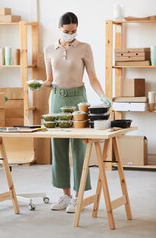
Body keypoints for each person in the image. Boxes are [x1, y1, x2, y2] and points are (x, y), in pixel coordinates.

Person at [44, 12, 112, 213]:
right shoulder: (49, 49)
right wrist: (40, 84)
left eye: (74, 31)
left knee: (79, 148)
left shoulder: (84, 48)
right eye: (66, 31)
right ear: (59, 28)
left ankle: (78, 196)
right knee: (58, 146)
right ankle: (65, 195)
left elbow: (92, 77)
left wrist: (103, 96)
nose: (70, 34)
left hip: (78, 100)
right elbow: (49, 79)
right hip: (56, 98)